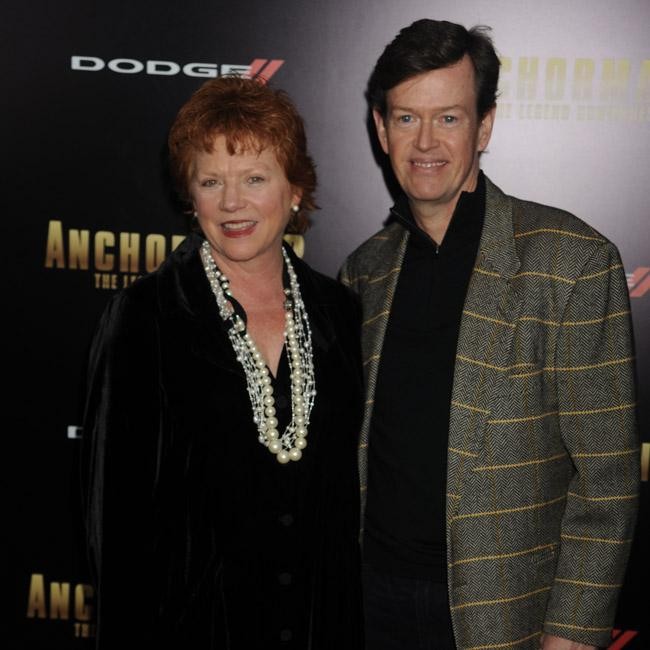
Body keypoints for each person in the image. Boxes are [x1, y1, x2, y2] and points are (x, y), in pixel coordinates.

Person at [340, 19, 639, 650]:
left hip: (502, 616)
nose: (425, 141)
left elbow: (607, 480)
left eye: (448, 118)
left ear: (484, 127)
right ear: (381, 129)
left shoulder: (571, 262)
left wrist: (572, 632)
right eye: (406, 118)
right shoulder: (364, 270)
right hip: (367, 602)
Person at [82, 76, 364, 648]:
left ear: (294, 188)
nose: (232, 203)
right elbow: (115, 524)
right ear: (192, 198)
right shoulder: (145, 317)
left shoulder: (340, 313)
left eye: (254, 178)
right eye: (211, 181)